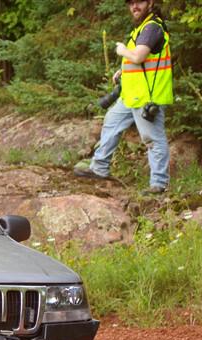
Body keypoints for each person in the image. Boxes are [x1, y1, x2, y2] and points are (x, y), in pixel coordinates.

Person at [74, 0, 173, 195]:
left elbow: (138, 57)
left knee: (153, 139)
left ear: (150, 2)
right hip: (130, 95)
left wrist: (122, 51)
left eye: (139, 2)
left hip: (147, 97)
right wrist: (123, 69)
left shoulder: (152, 27)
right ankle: (99, 168)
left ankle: (159, 185)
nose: (134, 6)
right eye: (131, 3)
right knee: (111, 122)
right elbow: (138, 59)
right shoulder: (143, 28)